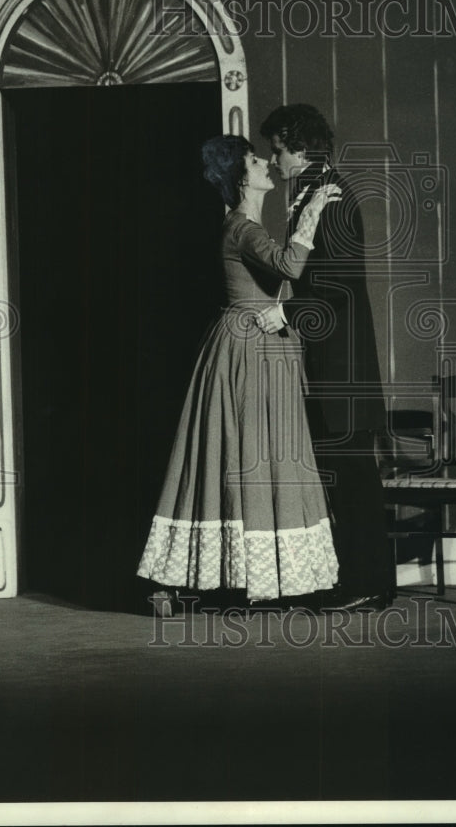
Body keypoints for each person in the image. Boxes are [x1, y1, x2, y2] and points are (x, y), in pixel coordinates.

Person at [137, 134, 341, 613]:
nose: (266, 163)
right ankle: (176, 580)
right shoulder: (240, 228)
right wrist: (311, 213)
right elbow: (290, 264)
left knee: (261, 452)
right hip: (248, 349)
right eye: (255, 160)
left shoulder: (245, 225)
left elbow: (280, 283)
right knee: (242, 451)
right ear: (239, 177)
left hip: (261, 345)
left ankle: (258, 575)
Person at [257, 104, 391, 611]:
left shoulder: (329, 196)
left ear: (300, 146)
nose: (273, 160)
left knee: (353, 477)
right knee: (343, 475)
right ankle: (359, 578)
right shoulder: (314, 193)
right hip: (330, 366)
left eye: (277, 150)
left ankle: (370, 583)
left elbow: (336, 287)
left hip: (343, 369)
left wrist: (285, 314)